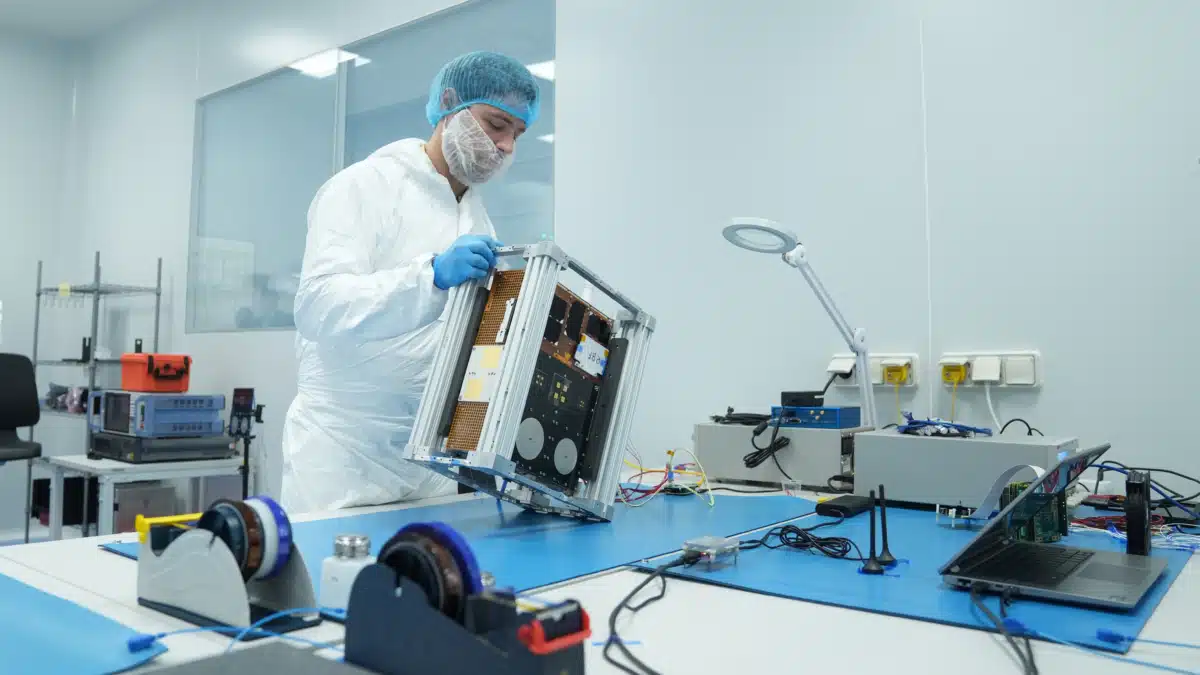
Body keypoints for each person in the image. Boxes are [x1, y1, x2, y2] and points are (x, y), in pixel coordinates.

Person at [280, 52, 541, 513]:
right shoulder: (363, 187)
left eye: (517, 133)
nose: (505, 145)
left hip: (429, 462)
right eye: (497, 124)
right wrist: (430, 277)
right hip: (343, 456)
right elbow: (318, 306)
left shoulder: (477, 218)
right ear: (449, 104)